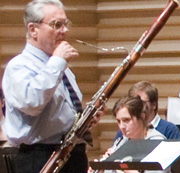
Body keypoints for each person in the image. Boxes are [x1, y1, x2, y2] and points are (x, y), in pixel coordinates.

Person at [1, 0, 103, 172]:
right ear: (33, 29)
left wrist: (85, 118)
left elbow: (57, 114)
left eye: (65, 24)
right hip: (39, 158)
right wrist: (57, 62)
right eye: (57, 25)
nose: (65, 31)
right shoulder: (18, 66)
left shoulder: (61, 67)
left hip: (71, 154)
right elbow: (32, 103)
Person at [89, 96, 167, 173]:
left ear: (142, 117)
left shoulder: (157, 143)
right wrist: (103, 170)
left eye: (126, 120)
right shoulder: (122, 141)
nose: (122, 126)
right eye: (119, 121)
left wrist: (124, 166)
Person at [114, 81, 180, 141]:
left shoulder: (169, 129)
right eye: (133, 103)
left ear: (154, 104)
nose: (137, 106)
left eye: (142, 102)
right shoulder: (123, 132)